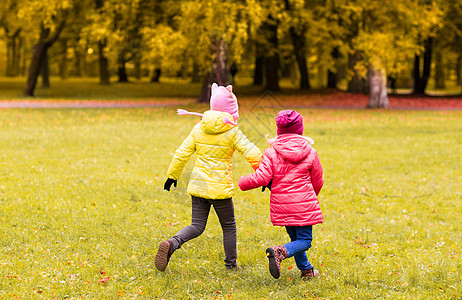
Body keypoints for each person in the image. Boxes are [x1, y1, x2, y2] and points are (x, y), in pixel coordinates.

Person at [156, 83, 262, 271]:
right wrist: (263, 175)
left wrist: (172, 176)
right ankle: (231, 265)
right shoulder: (232, 131)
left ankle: (172, 243)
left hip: (199, 187)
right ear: (232, 110)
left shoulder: (199, 128)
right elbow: (252, 153)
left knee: (197, 225)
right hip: (220, 189)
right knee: (229, 226)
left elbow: (182, 153)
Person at [238, 109, 324, 280]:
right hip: (304, 205)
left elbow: (262, 177)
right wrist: (310, 198)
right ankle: (280, 251)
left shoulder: (271, 152)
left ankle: (306, 270)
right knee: (305, 241)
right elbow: (318, 180)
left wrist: (242, 182)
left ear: (279, 130)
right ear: (300, 130)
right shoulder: (311, 152)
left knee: (295, 238)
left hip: (283, 206)